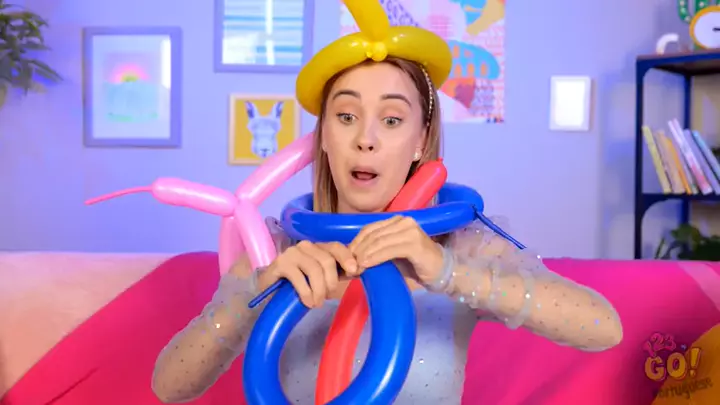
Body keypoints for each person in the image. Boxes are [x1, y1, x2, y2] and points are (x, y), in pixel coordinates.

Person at [151, 2, 623, 403]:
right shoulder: (276, 250)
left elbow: (603, 326)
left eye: (392, 120)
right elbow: (168, 387)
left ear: (420, 140)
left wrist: (446, 271)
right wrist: (253, 297)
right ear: (323, 136)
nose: (366, 139)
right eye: (346, 116)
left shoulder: (460, 244)